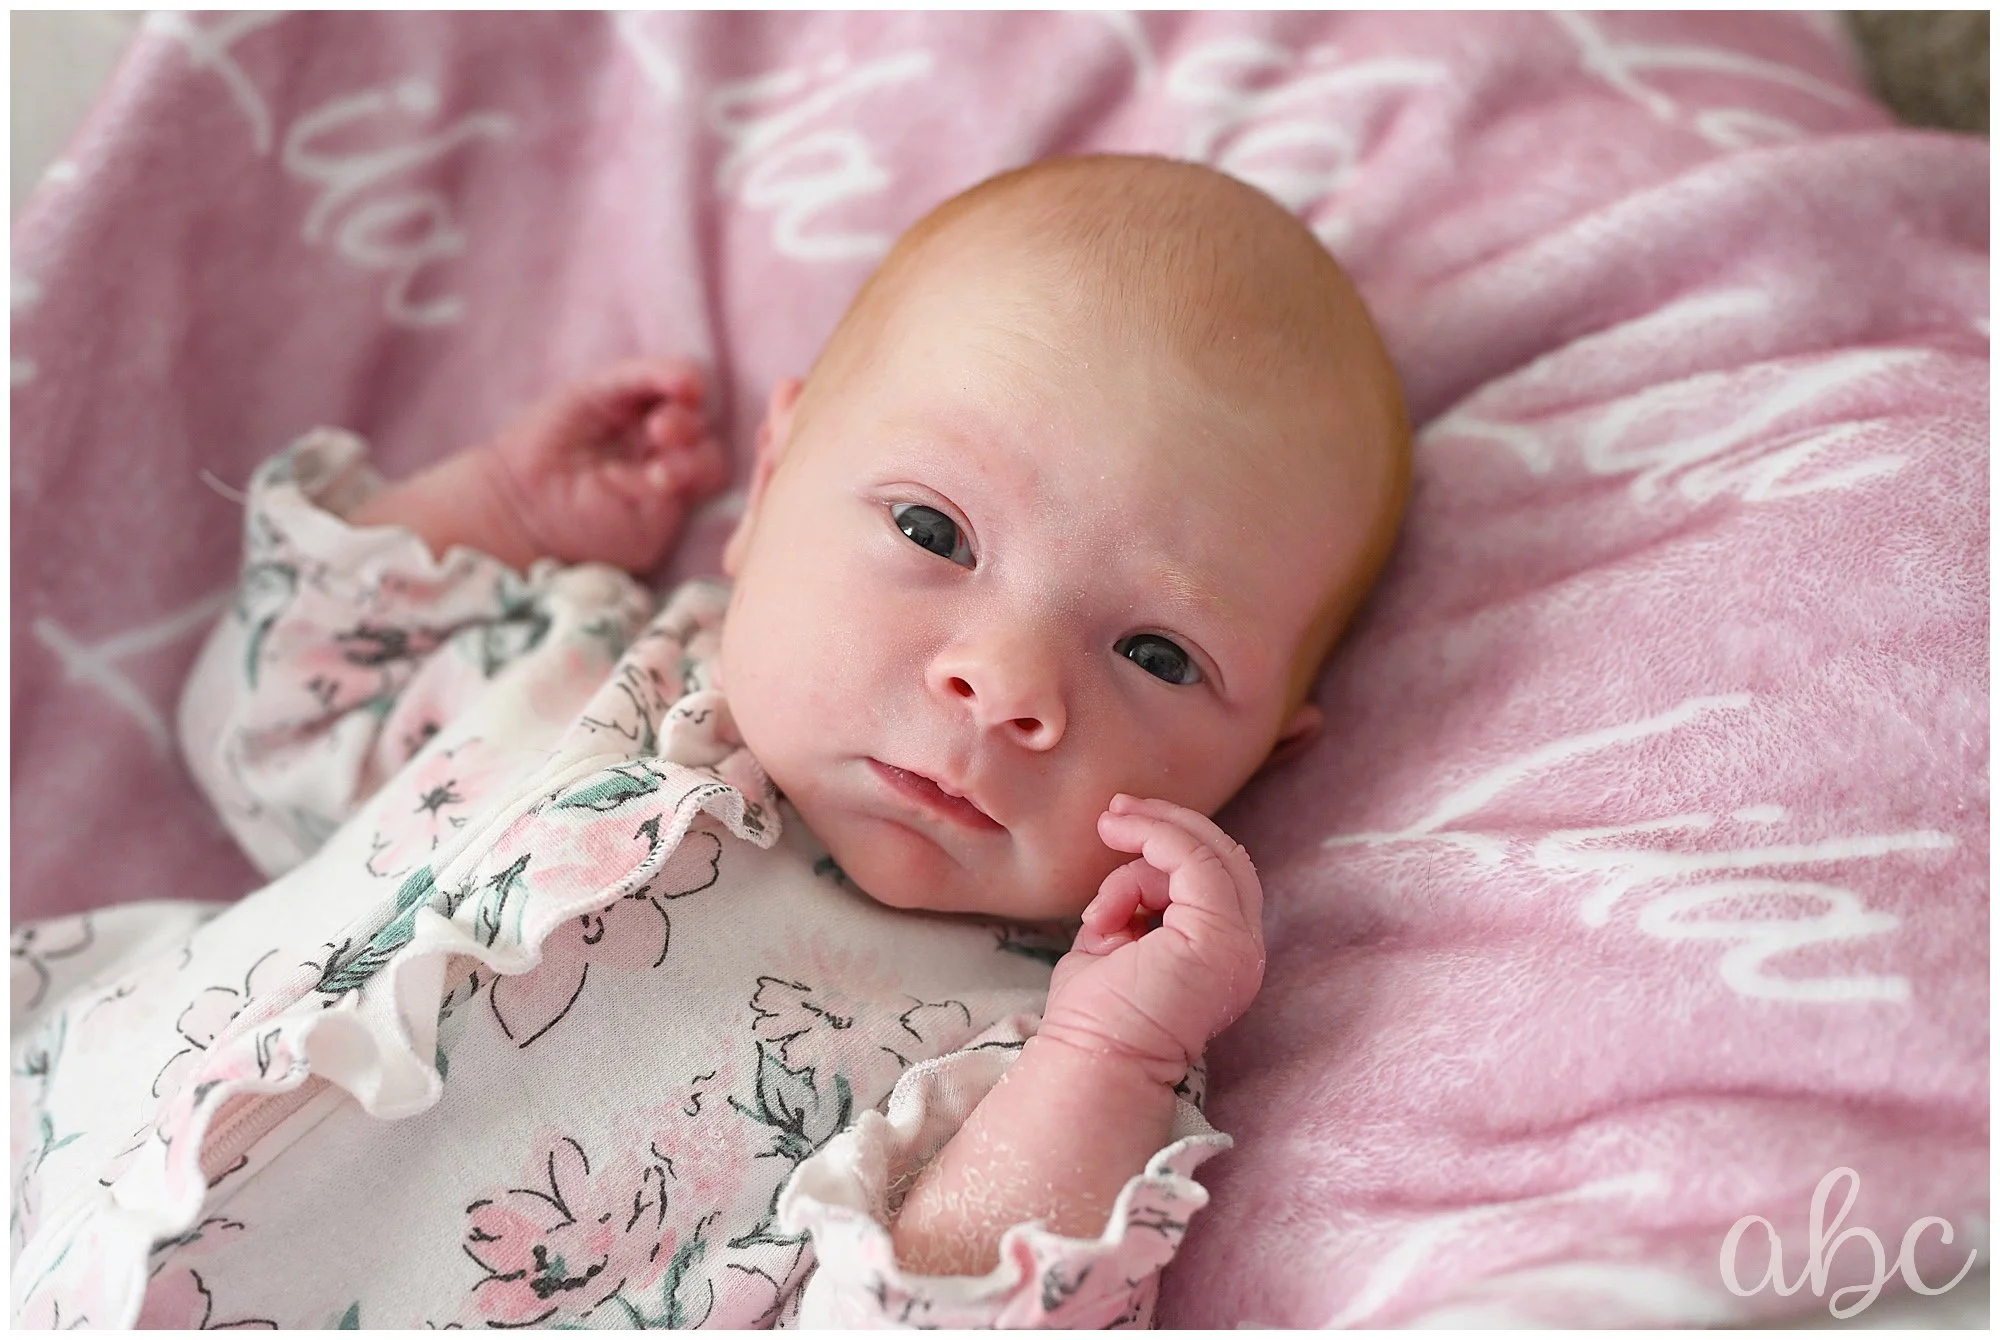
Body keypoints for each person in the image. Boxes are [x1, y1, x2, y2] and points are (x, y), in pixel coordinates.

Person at [8, 154, 1408, 1329]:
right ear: (773, 480)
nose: (1003, 681)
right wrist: (493, 504)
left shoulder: (1035, 1048)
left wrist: (1111, 1061)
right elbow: (270, 727)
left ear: (1261, 767)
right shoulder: (575, 666)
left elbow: (942, 1307)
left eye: (1158, 654)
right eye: (934, 531)